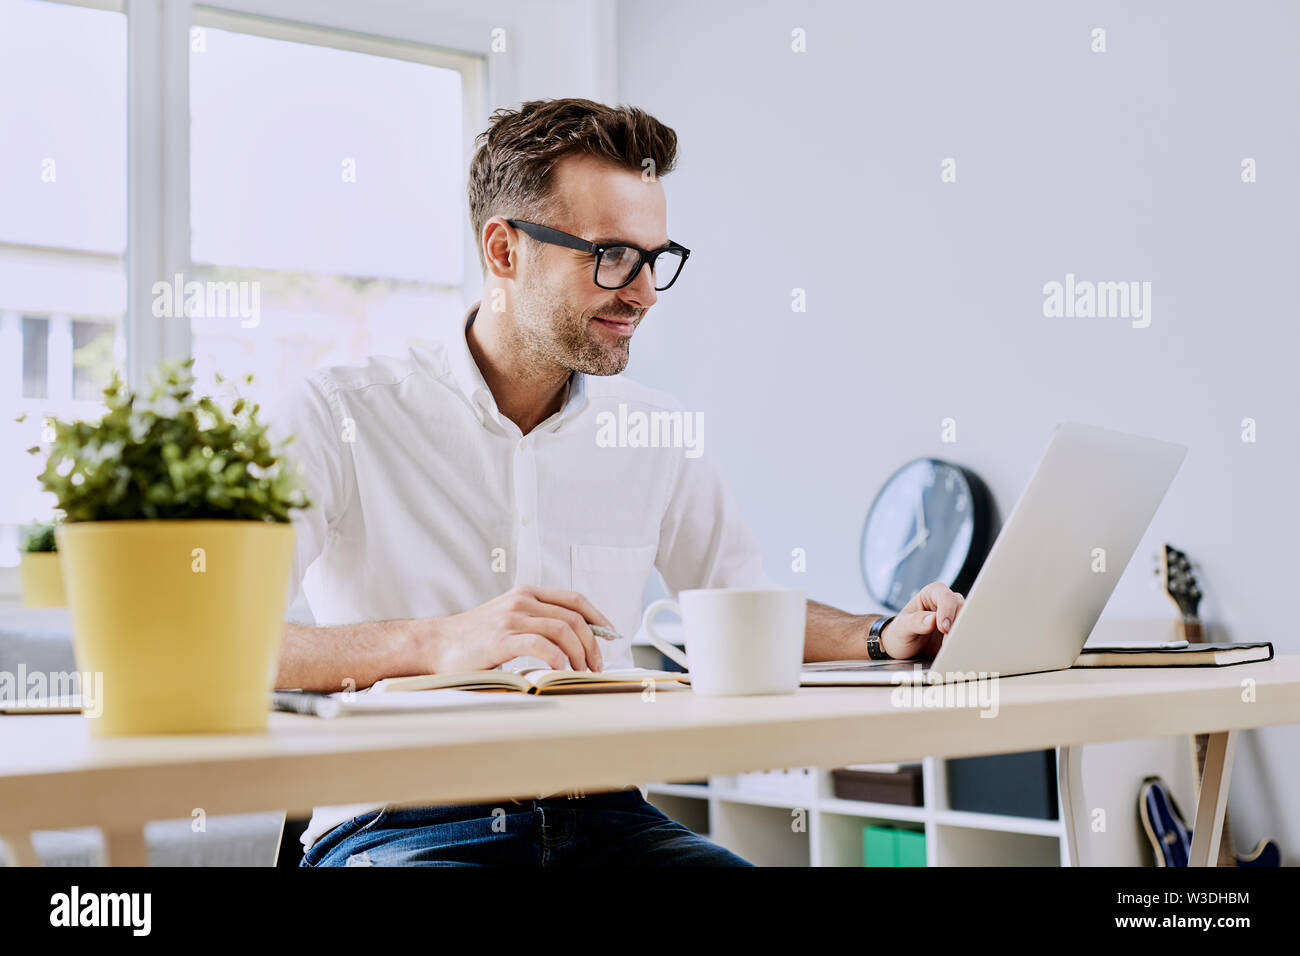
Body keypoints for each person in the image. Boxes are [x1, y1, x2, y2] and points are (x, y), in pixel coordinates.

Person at [274, 98, 965, 867]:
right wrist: (438, 642)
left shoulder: (656, 429)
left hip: (609, 819)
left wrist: (880, 635)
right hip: (401, 824)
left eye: (655, 257)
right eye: (610, 255)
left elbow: (737, 606)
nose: (643, 292)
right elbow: (235, 651)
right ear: (504, 251)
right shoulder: (340, 410)